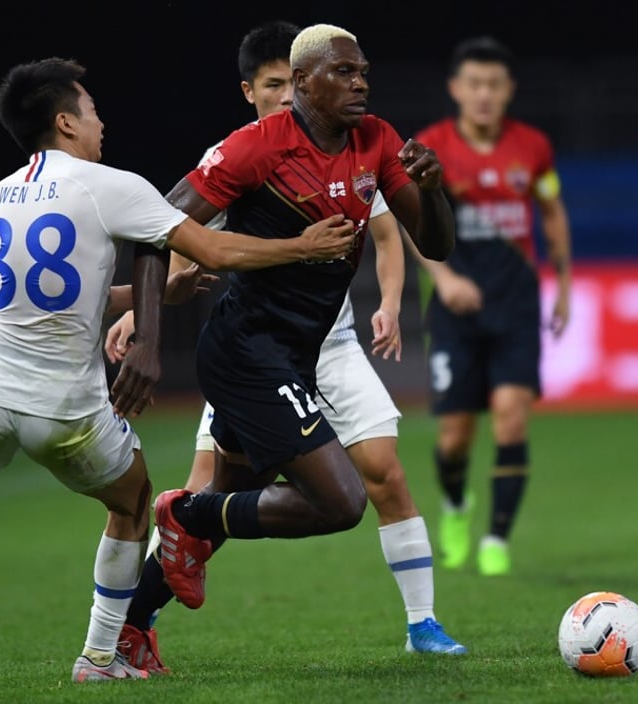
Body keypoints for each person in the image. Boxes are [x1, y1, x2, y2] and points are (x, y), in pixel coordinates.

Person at [0, 56, 356, 689]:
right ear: (66, 122)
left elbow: (52, 297)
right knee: (132, 502)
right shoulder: (111, 185)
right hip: (62, 406)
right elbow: (212, 246)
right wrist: (302, 247)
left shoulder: (0, 194)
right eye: (93, 110)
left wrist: (154, 297)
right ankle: (99, 658)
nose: (103, 122)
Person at [103, 20, 466, 672]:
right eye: (344, 72)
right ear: (301, 84)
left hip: (294, 354)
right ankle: (183, 513)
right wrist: (150, 340)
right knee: (341, 502)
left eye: (363, 73)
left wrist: (436, 191)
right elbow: (157, 229)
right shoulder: (258, 147)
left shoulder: (375, 139)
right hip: (247, 351)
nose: (360, 83)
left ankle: (126, 634)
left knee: (220, 517)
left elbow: (435, 243)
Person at [409, 36, 573, 576]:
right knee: (455, 436)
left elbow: (550, 212)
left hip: (516, 303)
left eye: (494, 85)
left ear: (509, 91)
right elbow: (415, 224)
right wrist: (445, 278)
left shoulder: (533, 147)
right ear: (456, 89)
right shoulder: (431, 148)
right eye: (474, 84)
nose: (484, 94)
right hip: (456, 310)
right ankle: (457, 507)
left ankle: (497, 540)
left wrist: (565, 284)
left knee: (510, 419)